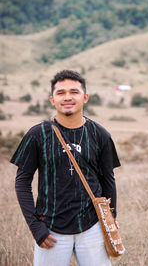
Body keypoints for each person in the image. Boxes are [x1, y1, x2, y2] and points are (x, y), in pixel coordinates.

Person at [10, 70, 121, 266]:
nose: (67, 97)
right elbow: (22, 182)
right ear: (52, 99)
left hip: (92, 227)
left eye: (74, 92)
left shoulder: (100, 134)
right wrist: (36, 226)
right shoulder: (38, 134)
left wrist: (110, 220)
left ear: (85, 97)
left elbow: (108, 180)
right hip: (50, 229)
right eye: (61, 93)